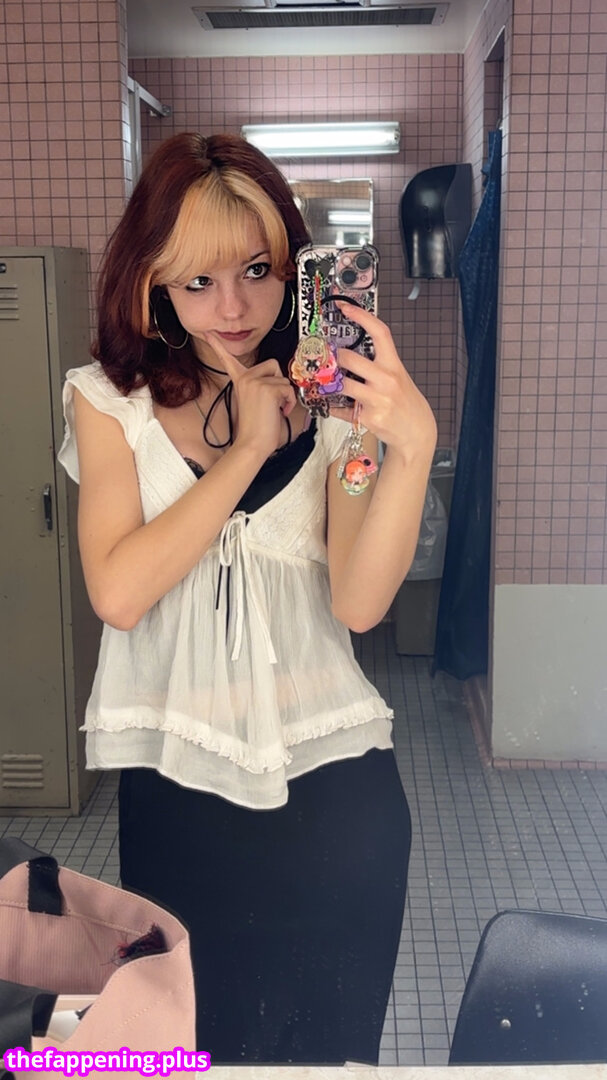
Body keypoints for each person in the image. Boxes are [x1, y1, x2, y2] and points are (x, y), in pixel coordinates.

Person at [58, 132, 438, 1066]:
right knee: (197, 1047)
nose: (233, 308)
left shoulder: (335, 407)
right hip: (179, 790)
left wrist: (410, 445)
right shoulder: (110, 402)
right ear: (153, 282)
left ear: (296, 267)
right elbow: (118, 591)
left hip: (334, 791)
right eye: (198, 282)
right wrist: (245, 453)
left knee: (330, 1052)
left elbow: (358, 603)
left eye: (259, 272)